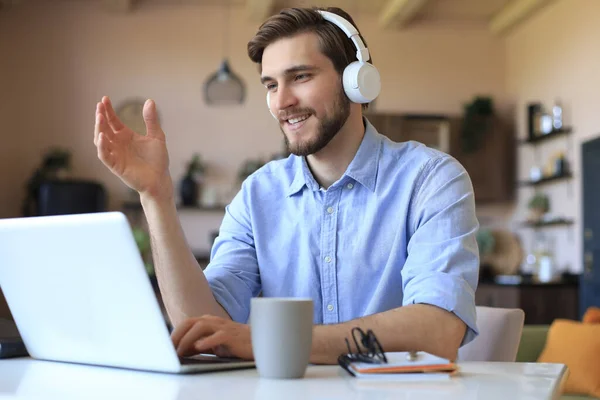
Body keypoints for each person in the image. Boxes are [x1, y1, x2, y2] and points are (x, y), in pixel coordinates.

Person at [93, 6, 479, 365]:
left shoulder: (431, 179)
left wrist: (273, 342)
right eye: (271, 85)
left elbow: (438, 330)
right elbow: (203, 329)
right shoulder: (257, 195)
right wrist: (155, 195)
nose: (282, 102)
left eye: (300, 77)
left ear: (357, 80)